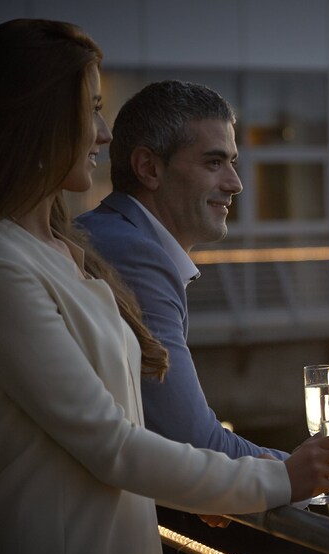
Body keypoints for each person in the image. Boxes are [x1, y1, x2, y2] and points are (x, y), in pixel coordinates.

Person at [0, 19, 329, 554]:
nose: (102, 134)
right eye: (91, 109)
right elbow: (112, 444)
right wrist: (282, 479)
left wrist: (216, 484)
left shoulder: (64, 251)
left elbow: (134, 426)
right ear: (34, 121)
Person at [77, 81, 283, 468]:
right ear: (149, 168)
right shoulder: (133, 255)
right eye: (213, 163)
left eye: (232, 163)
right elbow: (192, 440)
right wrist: (301, 476)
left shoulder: (110, 234)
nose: (235, 184)